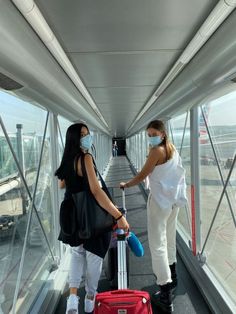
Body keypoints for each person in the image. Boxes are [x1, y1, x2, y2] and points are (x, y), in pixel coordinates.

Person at [55, 123, 129, 314]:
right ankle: (90, 299)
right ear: (76, 138)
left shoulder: (67, 159)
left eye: (87, 134)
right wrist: (118, 215)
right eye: (83, 135)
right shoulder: (85, 157)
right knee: (94, 256)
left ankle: (72, 299)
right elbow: (96, 191)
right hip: (89, 215)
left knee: (77, 254)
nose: (87, 138)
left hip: (71, 215)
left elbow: (62, 185)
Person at [120, 120, 187, 313]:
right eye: (148, 135)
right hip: (173, 201)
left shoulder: (156, 151)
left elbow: (143, 175)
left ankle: (165, 294)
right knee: (170, 239)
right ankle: (173, 277)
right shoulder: (171, 148)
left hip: (159, 203)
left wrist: (127, 184)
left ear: (162, 134)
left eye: (153, 134)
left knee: (157, 245)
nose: (151, 138)